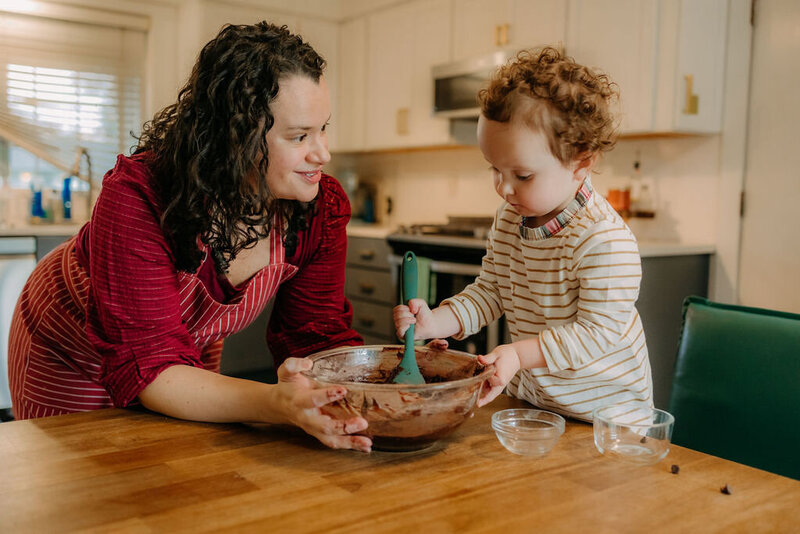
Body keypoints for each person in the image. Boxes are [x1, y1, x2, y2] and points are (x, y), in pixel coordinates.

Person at [8, 22, 373, 452]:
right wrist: (275, 402)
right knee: (83, 484)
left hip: (181, 350)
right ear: (235, 136)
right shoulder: (141, 194)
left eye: (323, 128)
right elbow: (150, 363)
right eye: (299, 136)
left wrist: (388, 393)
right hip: (69, 347)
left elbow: (315, 338)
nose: (322, 153)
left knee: (181, 464)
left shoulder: (320, 208)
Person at [393, 47, 653, 422]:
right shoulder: (509, 219)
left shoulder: (604, 241)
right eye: (494, 170)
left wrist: (518, 354)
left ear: (581, 163)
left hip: (606, 419)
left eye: (522, 175)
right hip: (538, 406)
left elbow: (597, 335)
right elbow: (491, 291)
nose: (504, 188)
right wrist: (438, 321)